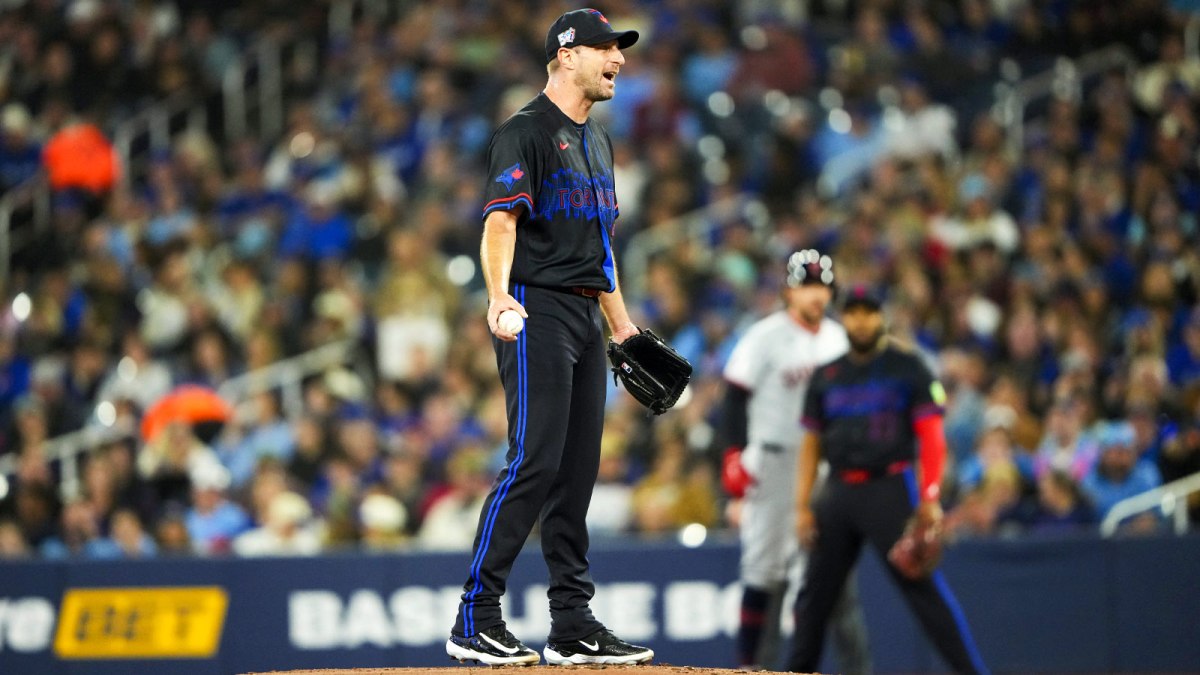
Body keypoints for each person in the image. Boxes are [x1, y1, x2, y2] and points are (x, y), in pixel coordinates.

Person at [446, 8, 651, 668]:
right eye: (605, 48)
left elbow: (601, 244)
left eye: (619, 49)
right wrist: (499, 294)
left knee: (577, 470)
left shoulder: (599, 141)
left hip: (587, 314)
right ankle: (475, 616)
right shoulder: (525, 132)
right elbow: (500, 223)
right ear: (566, 55)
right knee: (534, 460)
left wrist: (622, 325)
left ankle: (572, 623)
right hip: (535, 306)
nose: (618, 58)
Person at [789, 285, 989, 675]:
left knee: (923, 591)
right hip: (838, 492)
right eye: (853, 312)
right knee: (814, 600)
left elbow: (931, 435)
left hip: (889, 489)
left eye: (868, 311)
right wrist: (801, 506)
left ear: (881, 315)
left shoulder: (908, 366)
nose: (861, 320)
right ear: (843, 317)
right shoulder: (827, 374)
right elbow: (811, 444)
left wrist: (929, 497)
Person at [721, 251, 871, 673]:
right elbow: (734, 396)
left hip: (827, 467)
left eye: (822, 286)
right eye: (807, 285)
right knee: (765, 572)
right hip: (774, 462)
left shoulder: (840, 339)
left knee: (834, 576)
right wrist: (733, 453)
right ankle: (753, 668)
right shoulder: (763, 336)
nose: (815, 294)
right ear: (789, 291)